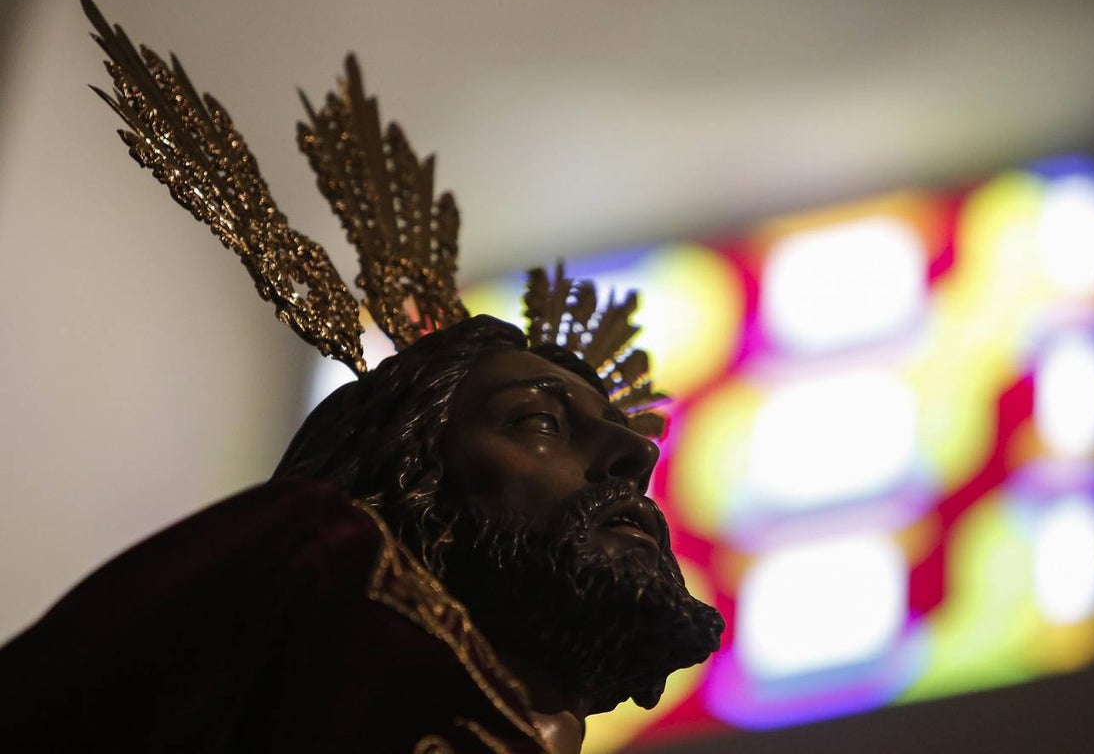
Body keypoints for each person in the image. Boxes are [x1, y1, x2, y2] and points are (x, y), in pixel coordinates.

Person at [0, 315, 724, 753]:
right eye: (538, 421)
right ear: (411, 475)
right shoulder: (310, 564)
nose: (638, 457)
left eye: (626, 438)